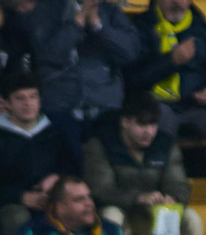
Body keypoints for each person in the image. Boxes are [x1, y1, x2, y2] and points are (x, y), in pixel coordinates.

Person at [83, 91, 202, 235]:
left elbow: (179, 184)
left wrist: (172, 197)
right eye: (141, 124)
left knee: (191, 218)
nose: (148, 132)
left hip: (156, 215)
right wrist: (138, 197)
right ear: (125, 122)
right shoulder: (101, 144)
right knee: (111, 215)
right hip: (123, 213)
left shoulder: (165, 145)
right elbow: (100, 190)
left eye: (153, 125)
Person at [128, 0, 206, 181]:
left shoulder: (202, 31)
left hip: (196, 107)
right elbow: (131, 78)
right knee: (161, 115)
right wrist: (170, 61)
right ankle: (161, 185)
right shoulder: (140, 28)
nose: (176, 2)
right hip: (155, 106)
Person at [30, 0, 140, 150]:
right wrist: (78, 21)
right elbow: (50, 55)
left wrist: (98, 25)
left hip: (105, 106)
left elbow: (130, 52)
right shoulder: (48, 8)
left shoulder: (110, 11)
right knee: (68, 165)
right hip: (61, 105)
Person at [0, 72, 74, 235]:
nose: (28, 103)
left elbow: (74, 171)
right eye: (20, 98)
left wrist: (57, 179)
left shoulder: (55, 133)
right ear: (7, 103)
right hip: (13, 204)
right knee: (16, 217)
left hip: (53, 199)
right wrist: (21, 196)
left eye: (33, 97)